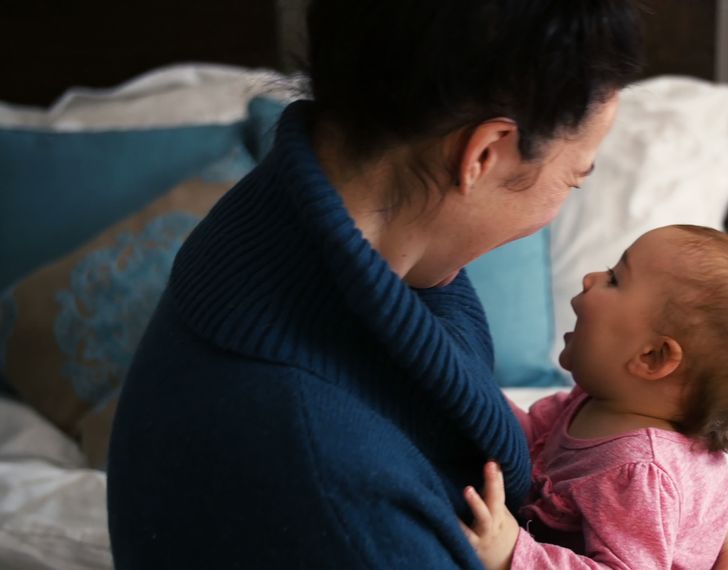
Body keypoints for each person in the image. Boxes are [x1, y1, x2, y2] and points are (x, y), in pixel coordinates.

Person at [106, 1, 644, 568]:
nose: (557, 208)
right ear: (484, 154)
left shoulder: (279, 217)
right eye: (572, 180)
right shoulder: (338, 493)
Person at [460, 225, 728, 569]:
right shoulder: (602, 402)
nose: (591, 278)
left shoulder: (641, 474)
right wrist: (473, 396)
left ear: (652, 357)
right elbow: (530, 438)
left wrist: (513, 554)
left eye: (614, 279)